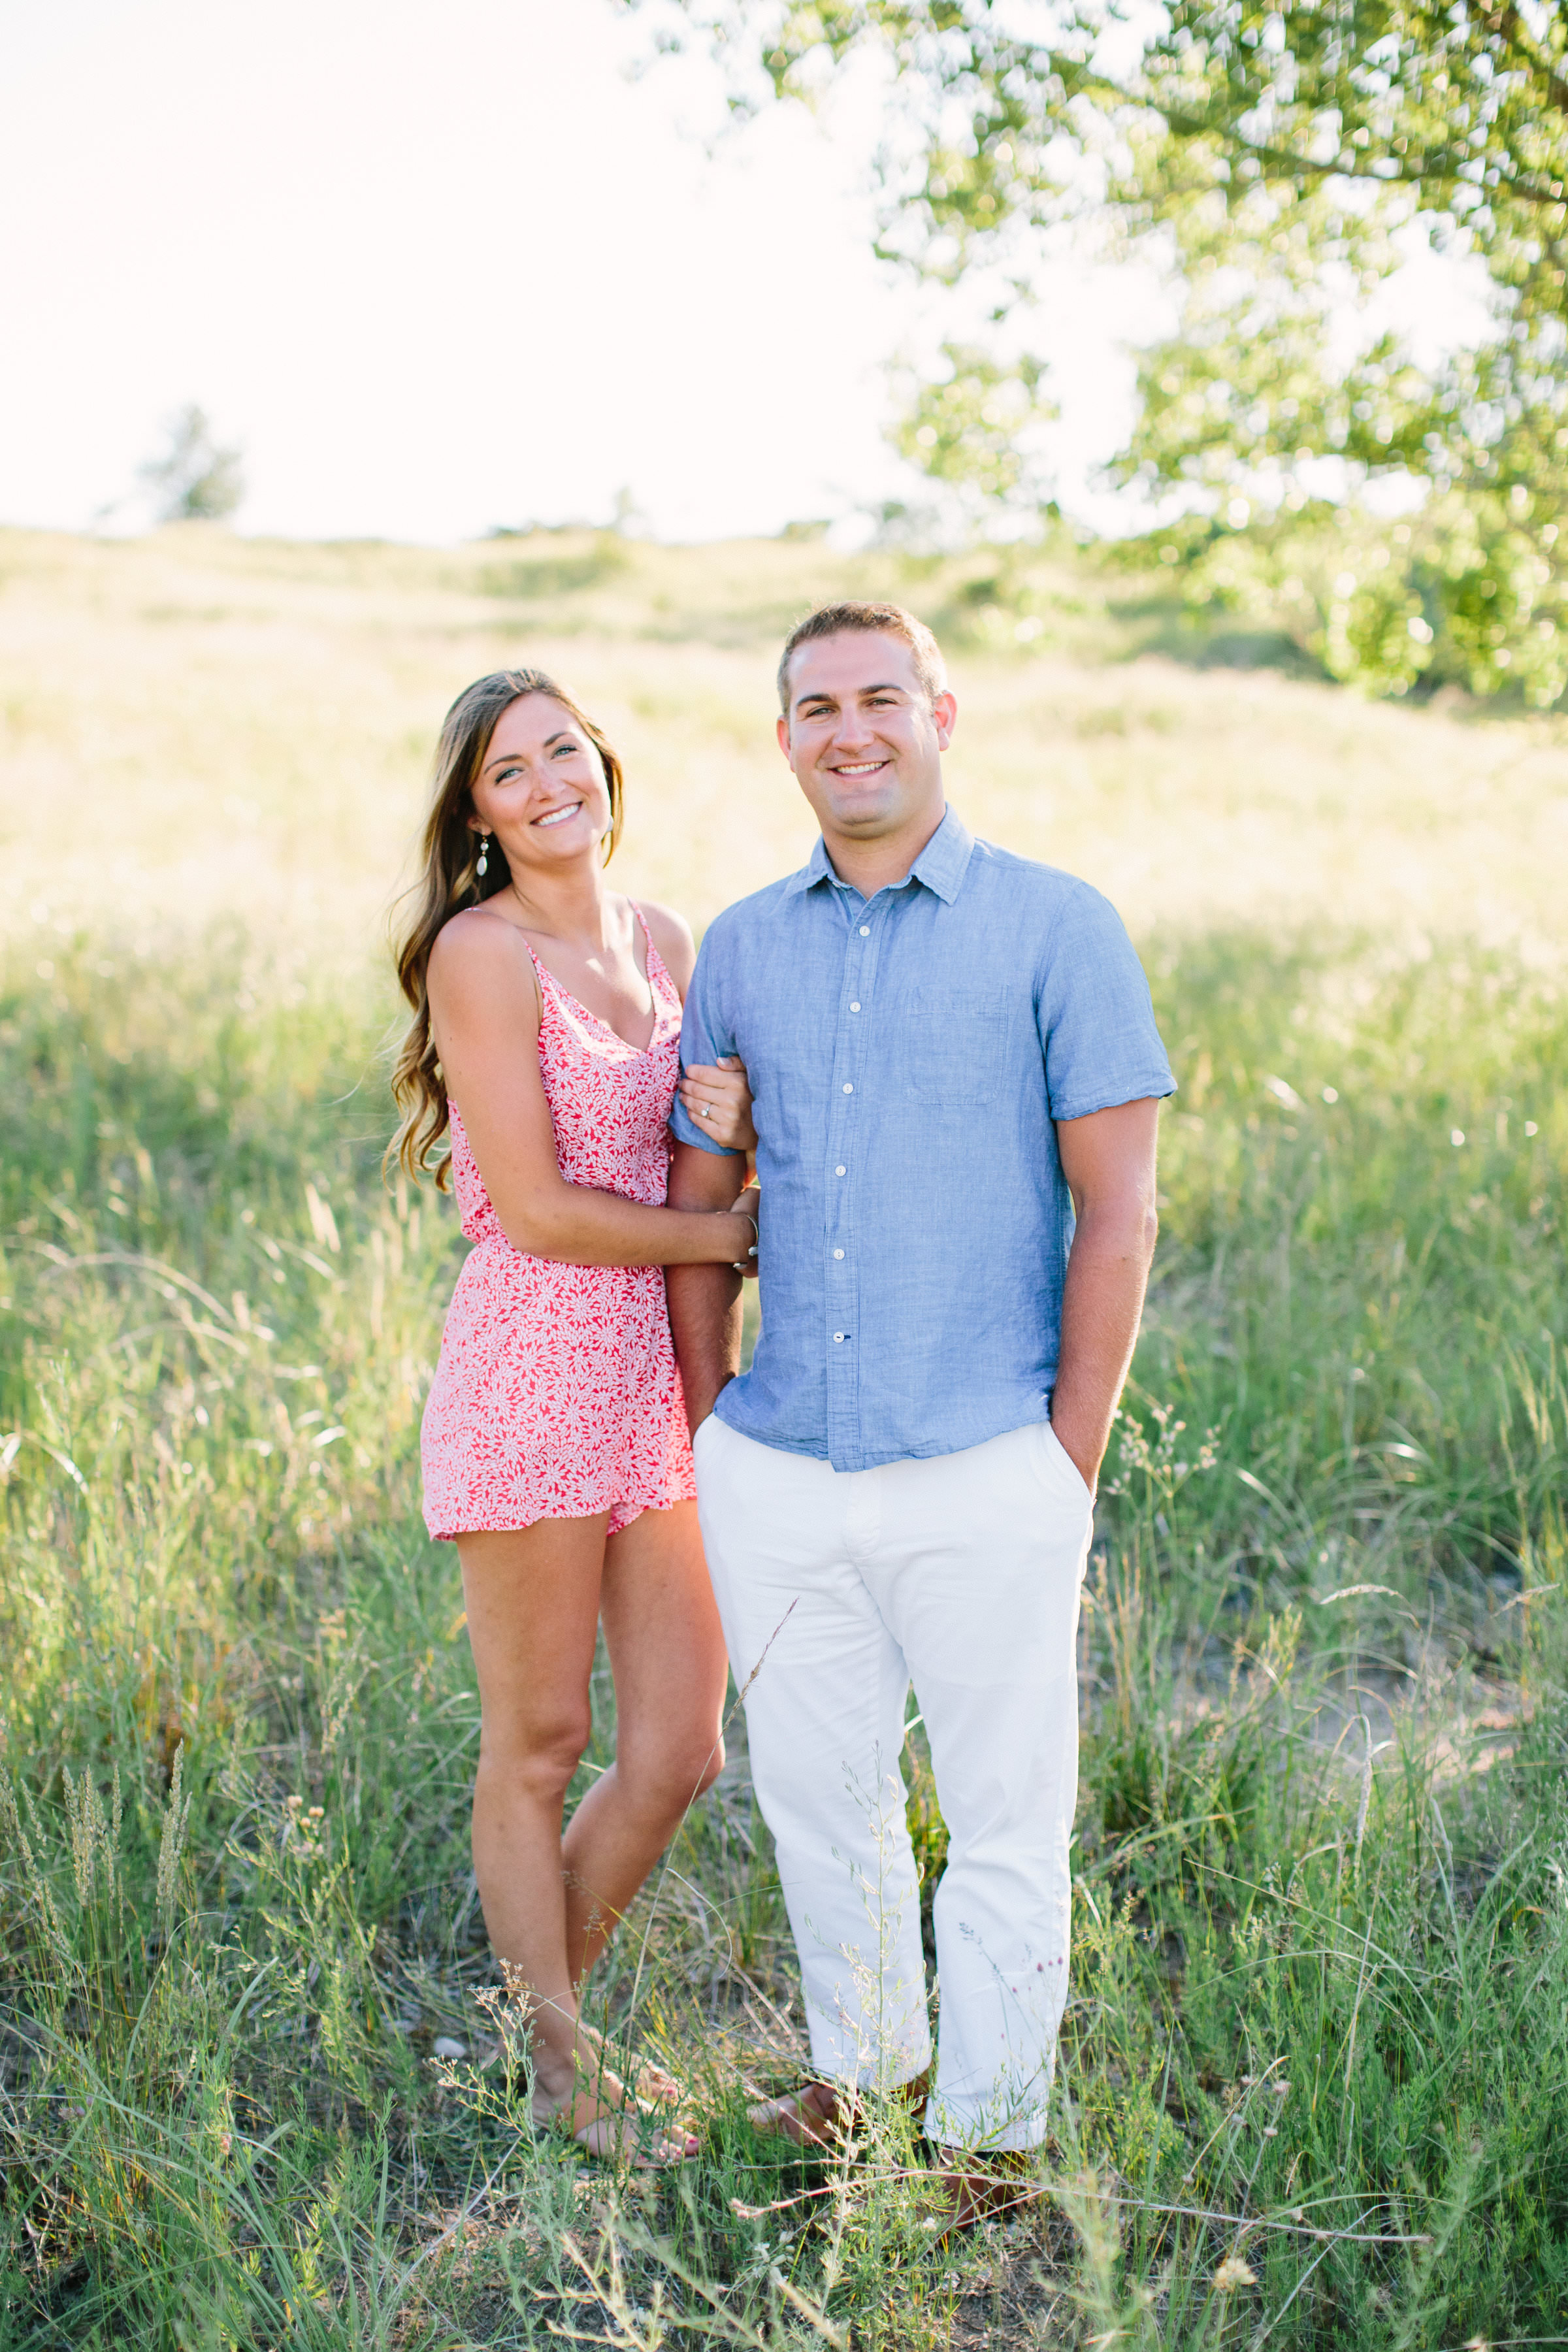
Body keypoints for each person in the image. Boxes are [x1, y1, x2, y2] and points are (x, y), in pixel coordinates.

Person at [665, 602, 1174, 2217]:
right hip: (783, 1455)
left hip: (986, 1458)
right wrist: (709, 1428)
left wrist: (1063, 1456)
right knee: (821, 1801)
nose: (850, 730)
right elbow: (705, 1194)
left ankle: (995, 2135)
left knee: (1010, 1810)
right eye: (816, 706)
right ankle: (866, 2079)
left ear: (942, 710)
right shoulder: (742, 944)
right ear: (785, 739)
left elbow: (1122, 1212)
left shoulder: (1059, 925)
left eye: (881, 697)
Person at [389, 667, 759, 2166]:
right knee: (539, 1741)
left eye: (564, 752)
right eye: (508, 770)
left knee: (679, 1750)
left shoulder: (667, 940)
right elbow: (535, 1208)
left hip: (658, 1378)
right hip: (538, 1364)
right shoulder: (481, 953)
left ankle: (530, 2033)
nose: (549, 785)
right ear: (477, 812)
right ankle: (560, 2071)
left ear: (603, 765)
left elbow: (695, 1168)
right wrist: (731, 1241)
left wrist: (730, 1189)